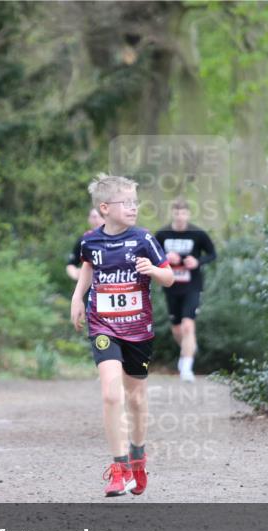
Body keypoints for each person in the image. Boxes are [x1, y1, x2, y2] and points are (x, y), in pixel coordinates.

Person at [71, 174, 174, 497]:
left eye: (135, 202)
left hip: (137, 330)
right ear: (105, 208)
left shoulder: (143, 238)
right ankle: (118, 469)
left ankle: (138, 458)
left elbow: (169, 276)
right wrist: (77, 297)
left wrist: (154, 271)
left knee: (136, 399)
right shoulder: (90, 241)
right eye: (126, 203)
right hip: (103, 325)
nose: (133, 208)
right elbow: (88, 266)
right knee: (111, 395)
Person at [155, 199, 217, 382]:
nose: (180, 217)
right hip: (171, 286)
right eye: (176, 213)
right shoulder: (162, 234)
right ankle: (189, 348)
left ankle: (187, 367)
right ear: (172, 214)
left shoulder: (198, 234)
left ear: (188, 215)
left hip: (192, 286)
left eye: (183, 214)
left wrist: (197, 262)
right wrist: (165, 258)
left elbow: (212, 254)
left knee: (188, 325)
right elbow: (151, 256)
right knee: (176, 329)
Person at [66, 208, 103, 281]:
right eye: (94, 217)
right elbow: (71, 265)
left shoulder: (115, 238)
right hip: (89, 288)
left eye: (100, 216)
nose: (97, 220)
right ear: (89, 219)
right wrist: (76, 274)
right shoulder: (84, 240)